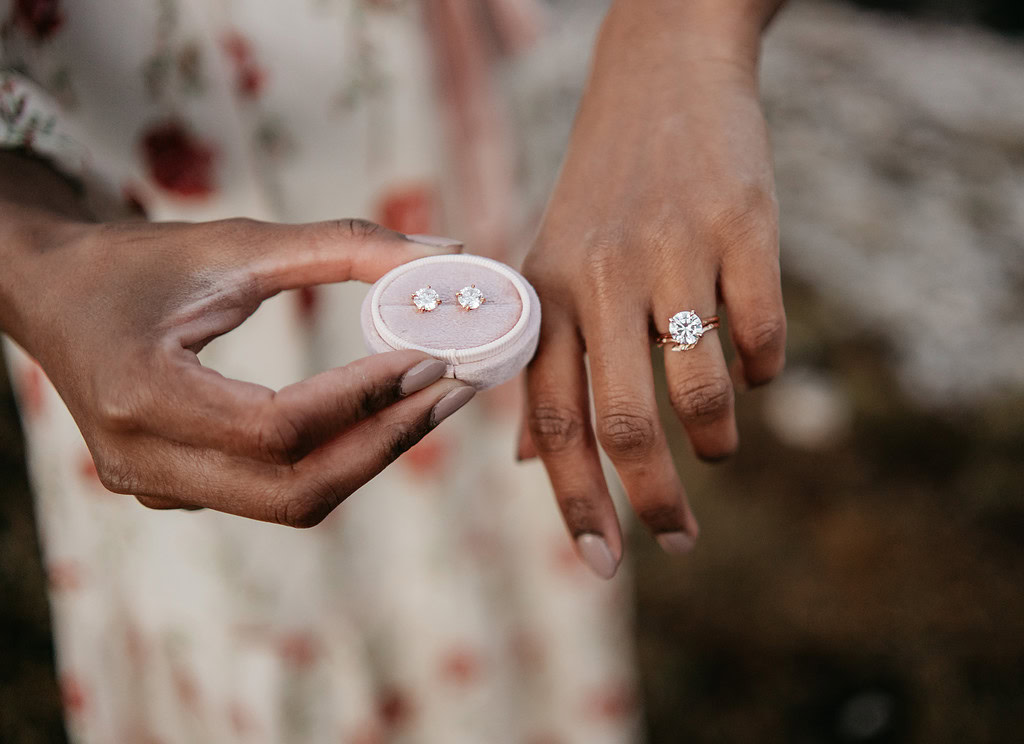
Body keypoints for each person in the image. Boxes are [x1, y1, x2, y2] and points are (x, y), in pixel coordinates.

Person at [0, 0, 787, 741]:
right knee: (237, 600)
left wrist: (680, 37)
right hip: (137, 275)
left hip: (432, 134)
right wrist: (34, 262)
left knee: (499, 537)